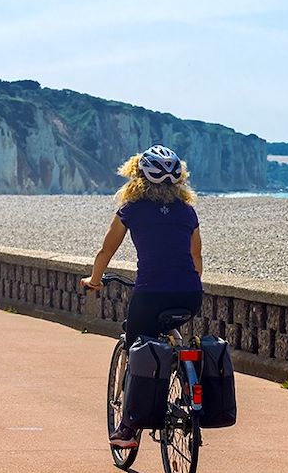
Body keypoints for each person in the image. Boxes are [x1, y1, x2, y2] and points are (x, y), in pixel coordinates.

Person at [81, 144, 203, 448]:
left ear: (136, 176)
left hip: (150, 294)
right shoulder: (187, 212)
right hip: (190, 294)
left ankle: (128, 427)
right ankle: (187, 394)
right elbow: (197, 258)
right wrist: (189, 284)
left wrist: (94, 281)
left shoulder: (132, 209)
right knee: (174, 342)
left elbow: (106, 250)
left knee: (137, 349)